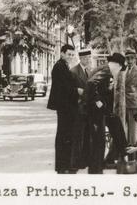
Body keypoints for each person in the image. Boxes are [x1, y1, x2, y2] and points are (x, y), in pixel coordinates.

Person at [85, 53, 127, 174]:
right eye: (120, 69)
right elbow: (91, 84)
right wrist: (98, 101)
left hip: (100, 110)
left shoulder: (104, 70)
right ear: (117, 65)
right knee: (99, 139)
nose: (119, 72)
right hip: (94, 111)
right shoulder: (105, 70)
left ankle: (122, 149)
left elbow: (97, 86)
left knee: (115, 122)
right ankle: (95, 169)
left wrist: (107, 89)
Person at [48, 44, 79, 174]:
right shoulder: (59, 67)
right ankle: (62, 166)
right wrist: (77, 90)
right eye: (68, 54)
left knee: (66, 135)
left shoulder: (64, 66)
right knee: (63, 135)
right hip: (64, 106)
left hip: (66, 106)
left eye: (72, 55)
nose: (71, 57)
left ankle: (65, 164)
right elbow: (64, 88)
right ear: (62, 54)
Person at [70, 48, 92, 171]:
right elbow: (68, 90)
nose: (89, 60)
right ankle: (75, 162)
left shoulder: (88, 71)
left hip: (87, 110)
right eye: (87, 58)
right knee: (78, 137)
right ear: (82, 58)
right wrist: (77, 91)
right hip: (78, 110)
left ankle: (84, 160)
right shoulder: (73, 71)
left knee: (86, 136)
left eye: (89, 58)